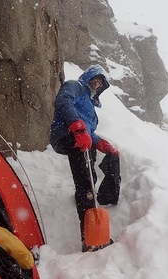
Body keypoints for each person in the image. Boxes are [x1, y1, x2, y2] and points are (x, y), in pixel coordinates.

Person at [50, 64, 121, 252]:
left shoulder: (89, 106)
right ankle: (90, 239)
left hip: (77, 136)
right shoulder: (75, 86)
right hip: (66, 134)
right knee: (85, 183)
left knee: (87, 180)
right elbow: (63, 101)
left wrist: (101, 143)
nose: (96, 84)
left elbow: (89, 133)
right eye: (95, 79)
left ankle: (90, 228)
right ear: (89, 76)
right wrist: (78, 127)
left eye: (100, 83)